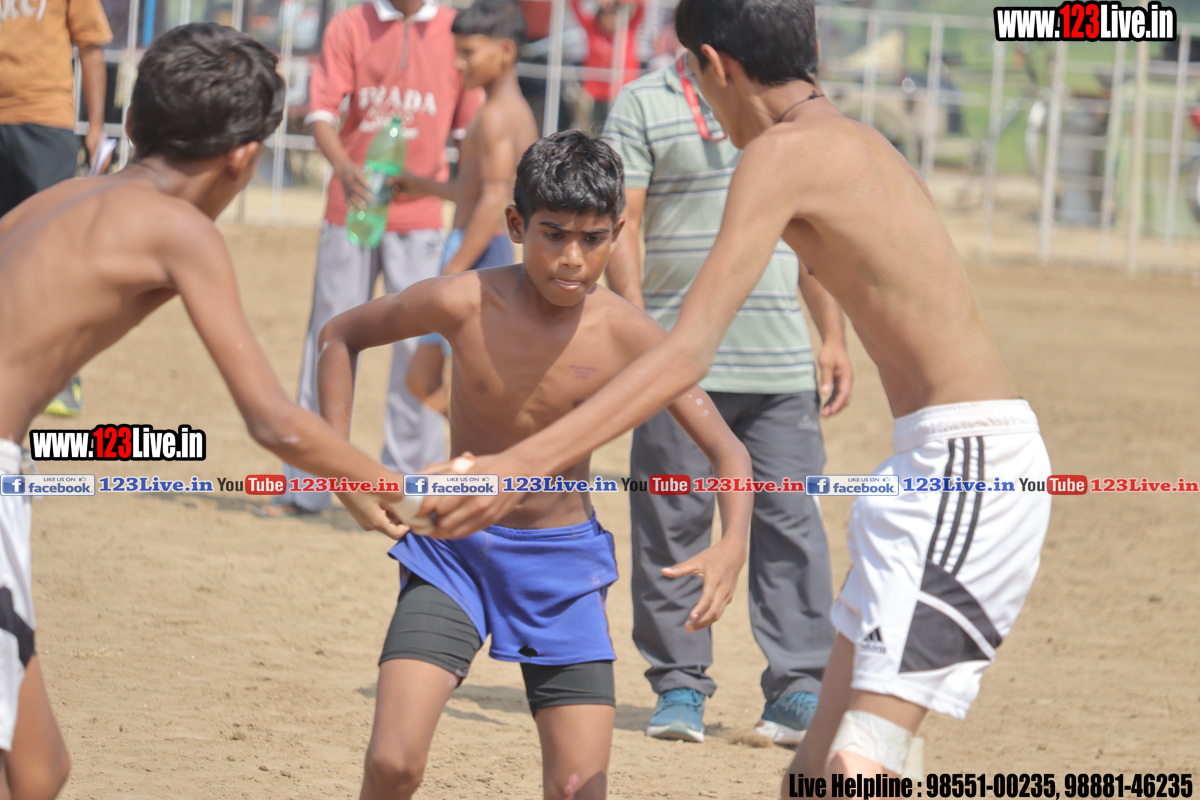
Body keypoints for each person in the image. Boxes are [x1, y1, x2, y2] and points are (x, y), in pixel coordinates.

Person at [423, 0, 1053, 788]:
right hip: (927, 465)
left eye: (694, 74)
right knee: (813, 772)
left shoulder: (780, 154)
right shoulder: (859, 142)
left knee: (862, 760)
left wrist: (516, 463)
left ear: (715, 65)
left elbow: (688, 349)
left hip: (967, 469)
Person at [0, 25, 411, 798]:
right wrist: (383, 482)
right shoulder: (180, 229)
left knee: (39, 767)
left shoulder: (59, 198)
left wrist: (349, 481)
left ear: (134, 120)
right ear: (244, 158)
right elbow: (271, 419)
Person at [315, 131, 754, 800]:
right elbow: (340, 335)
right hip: (453, 551)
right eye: (554, 235)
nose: (573, 258)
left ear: (617, 234)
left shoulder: (630, 334)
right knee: (394, 762)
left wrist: (732, 542)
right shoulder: (463, 301)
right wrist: (343, 470)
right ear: (517, 225)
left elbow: (728, 449)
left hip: (562, 568)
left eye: (593, 239)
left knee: (578, 788)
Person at [602, 53, 852, 744]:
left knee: (792, 526)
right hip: (679, 362)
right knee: (671, 523)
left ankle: (798, 689)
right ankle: (678, 685)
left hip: (780, 367)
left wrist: (832, 334)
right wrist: (640, 332)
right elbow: (624, 223)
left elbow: (811, 232)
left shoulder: (786, 106)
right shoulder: (642, 103)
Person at [261, 0, 485, 517]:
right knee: (329, 339)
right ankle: (307, 486)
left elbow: (470, 133)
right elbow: (320, 113)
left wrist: (456, 195)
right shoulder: (349, 25)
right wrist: (344, 168)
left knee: (418, 352)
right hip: (351, 212)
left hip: (421, 217)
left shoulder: (456, 32)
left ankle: (410, 491)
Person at [395, 0, 539, 411]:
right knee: (441, 380)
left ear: (505, 51)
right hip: (479, 247)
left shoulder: (495, 117)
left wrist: (450, 272)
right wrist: (421, 186)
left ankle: (490, 445)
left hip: (480, 251)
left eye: (469, 52)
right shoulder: (505, 111)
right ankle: (485, 444)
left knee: (442, 381)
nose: (459, 63)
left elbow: (494, 201)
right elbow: (478, 192)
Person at [0, 0, 113, 417]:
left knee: (51, 254)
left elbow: (92, 47)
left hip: (46, 122)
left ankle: (63, 378)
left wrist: (96, 126)